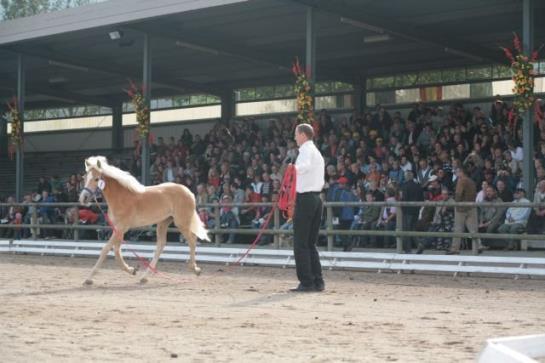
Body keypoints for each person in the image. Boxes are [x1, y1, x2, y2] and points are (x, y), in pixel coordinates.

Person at [290, 123, 325, 292]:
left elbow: (303, 167)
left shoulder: (305, 150)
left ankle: (307, 281)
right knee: (310, 243)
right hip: (317, 198)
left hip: (305, 198)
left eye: (296, 134)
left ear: (303, 135)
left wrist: (292, 168)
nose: (295, 138)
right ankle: (317, 280)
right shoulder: (315, 151)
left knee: (301, 243)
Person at [449, 166, 483, 254]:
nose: (456, 174)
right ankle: (478, 246)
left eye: (457, 172)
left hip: (461, 207)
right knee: (473, 229)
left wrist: (456, 202)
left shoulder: (461, 181)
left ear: (461, 172)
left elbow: (458, 194)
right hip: (471, 206)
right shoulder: (471, 181)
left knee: (458, 228)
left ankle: (455, 248)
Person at [399, 171, 423, 253]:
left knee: (406, 230)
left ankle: (408, 250)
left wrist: (402, 209)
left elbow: (403, 199)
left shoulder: (404, 186)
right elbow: (422, 199)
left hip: (407, 211)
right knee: (412, 229)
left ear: (406, 177)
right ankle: (419, 243)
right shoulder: (418, 186)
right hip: (416, 210)